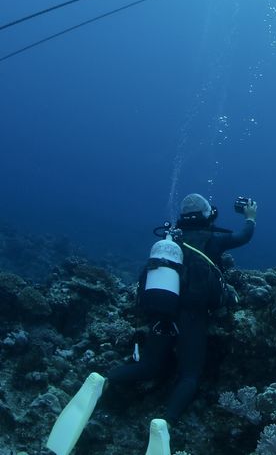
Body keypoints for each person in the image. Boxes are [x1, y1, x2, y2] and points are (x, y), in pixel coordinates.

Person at [46, 193, 257, 455]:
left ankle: (102, 380)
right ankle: (164, 423)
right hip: (192, 316)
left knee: (149, 366)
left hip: (162, 311)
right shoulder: (213, 239)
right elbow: (244, 236)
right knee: (190, 376)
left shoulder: (171, 241)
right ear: (208, 216)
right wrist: (250, 216)